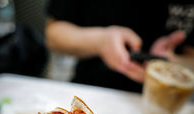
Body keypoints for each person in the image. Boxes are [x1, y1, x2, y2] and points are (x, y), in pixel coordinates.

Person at [45, 0, 194, 92]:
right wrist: (100, 41)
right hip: (92, 87)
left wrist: (170, 64)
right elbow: (54, 35)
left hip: (168, 97)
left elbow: (190, 57)